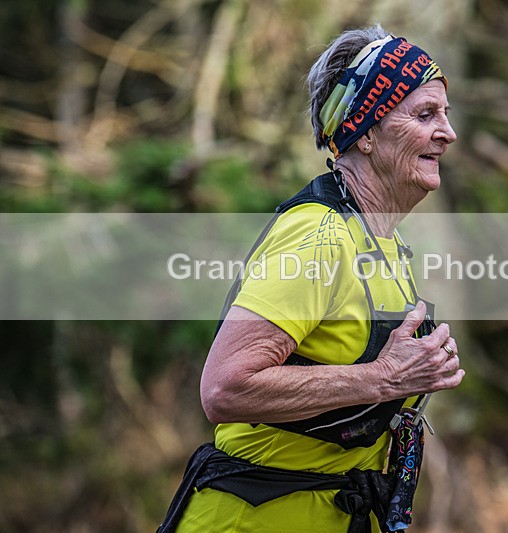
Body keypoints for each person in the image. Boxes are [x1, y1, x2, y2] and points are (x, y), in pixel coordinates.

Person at [157, 24, 463, 533]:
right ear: (364, 132)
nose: (447, 132)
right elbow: (225, 387)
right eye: (425, 114)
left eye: (445, 115)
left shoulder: (380, 240)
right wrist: (386, 378)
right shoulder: (319, 237)